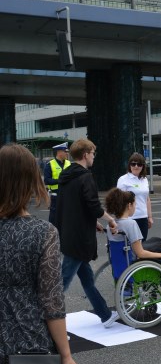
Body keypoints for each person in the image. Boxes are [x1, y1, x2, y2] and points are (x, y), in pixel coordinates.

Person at [0, 144, 80, 364]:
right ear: (31, 182)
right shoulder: (42, 232)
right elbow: (52, 301)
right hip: (33, 346)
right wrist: (66, 356)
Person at [56, 139, 120, 328]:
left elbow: (76, 206)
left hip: (69, 232)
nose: (93, 156)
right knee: (60, 285)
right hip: (79, 239)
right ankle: (43, 322)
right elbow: (92, 205)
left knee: (87, 279)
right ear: (85, 154)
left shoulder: (66, 176)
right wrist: (110, 220)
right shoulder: (85, 177)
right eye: (92, 153)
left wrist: (93, 223)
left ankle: (105, 315)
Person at [104, 188, 161, 273]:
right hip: (135, 266)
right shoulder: (131, 224)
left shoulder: (110, 225)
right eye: (135, 204)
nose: (135, 206)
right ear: (129, 206)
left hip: (120, 266)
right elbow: (140, 253)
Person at [117, 153, 153, 241]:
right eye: (133, 164)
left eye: (139, 164)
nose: (136, 166)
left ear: (143, 166)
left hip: (143, 217)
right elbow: (119, 200)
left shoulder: (144, 179)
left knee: (143, 244)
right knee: (131, 245)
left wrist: (150, 217)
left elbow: (147, 199)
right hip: (130, 218)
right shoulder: (123, 179)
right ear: (129, 165)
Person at [43, 142, 71, 226]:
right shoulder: (50, 164)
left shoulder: (69, 163)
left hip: (68, 195)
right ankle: (52, 235)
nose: (67, 153)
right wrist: (59, 180)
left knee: (67, 218)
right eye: (65, 151)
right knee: (54, 219)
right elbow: (47, 180)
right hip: (56, 196)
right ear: (59, 152)